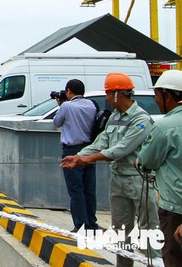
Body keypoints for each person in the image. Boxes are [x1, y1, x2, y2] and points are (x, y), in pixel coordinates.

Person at [61, 72, 160, 266]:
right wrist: (79, 156)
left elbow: (121, 149)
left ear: (117, 94)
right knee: (121, 231)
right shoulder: (114, 117)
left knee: (148, 231)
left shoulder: (141, 119)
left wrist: (87, 159)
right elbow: (102, 141)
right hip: (119, 180)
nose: (106, 97)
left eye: (108, 93)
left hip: (139, 181)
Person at [137, 69, 182, 266]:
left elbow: (146, 160)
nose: (155, 99)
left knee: (173, 258)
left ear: (168, 95)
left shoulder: (164, 127)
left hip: (174, 209)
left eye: (156, 94)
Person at [53, 79, 100, 232]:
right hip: (89, 150)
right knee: (89, 189)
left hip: (71, 151)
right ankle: (91, 224)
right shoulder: (91, 104)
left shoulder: (66, 106)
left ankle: (80, 225)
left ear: (69, 91)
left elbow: (56, 122)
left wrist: (60, 105)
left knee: (75, 189)